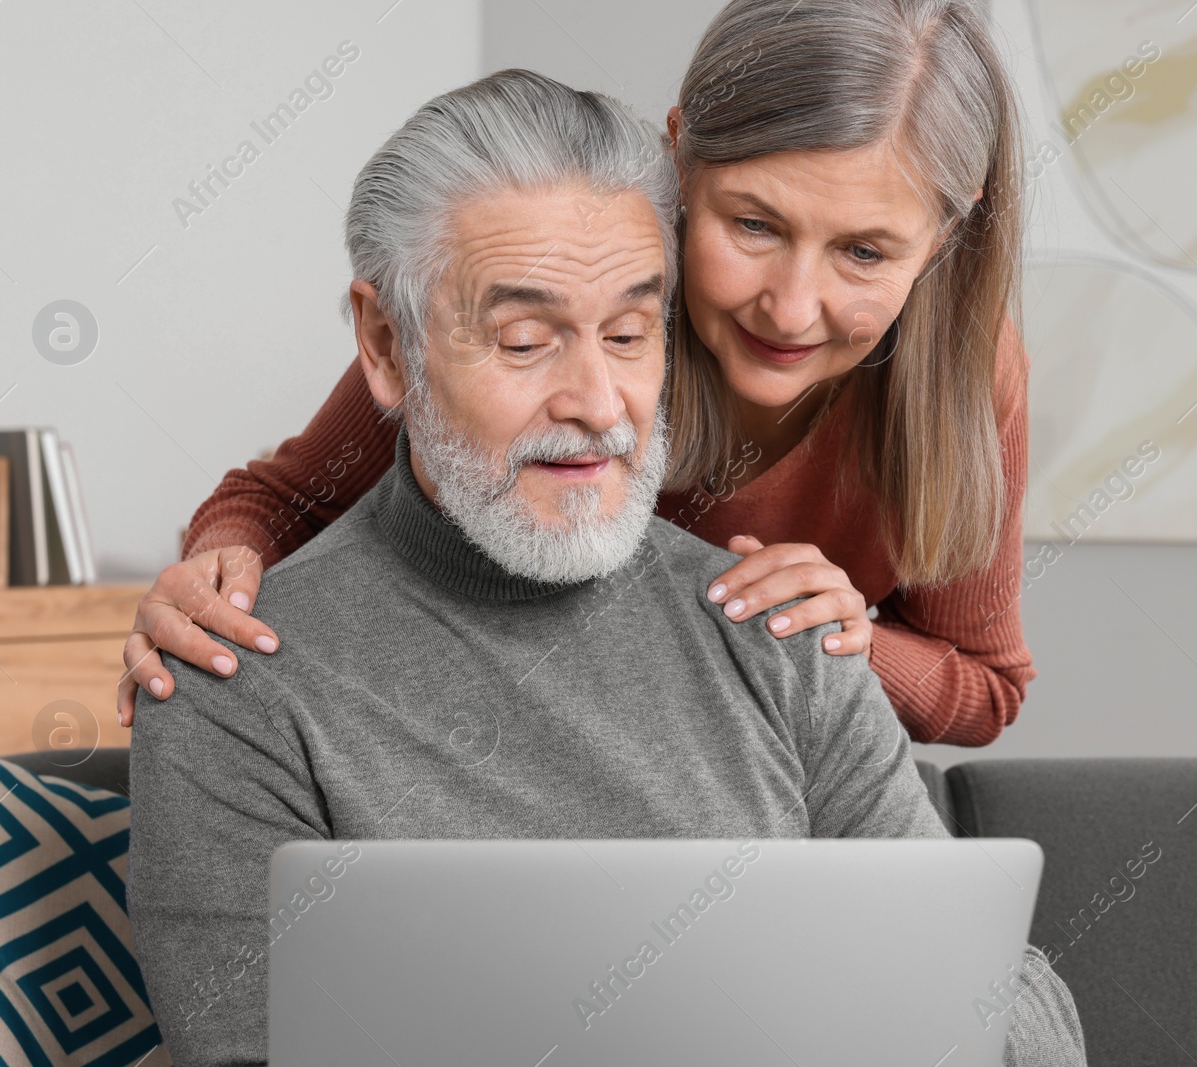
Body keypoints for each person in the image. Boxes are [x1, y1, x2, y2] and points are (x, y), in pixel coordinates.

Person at [127, 69, 1085, 1066]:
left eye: (632, 333)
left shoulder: (788, 636)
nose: (598, 401)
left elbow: (998, 987)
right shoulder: (232, 683)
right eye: (526, 340)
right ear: (386, 344)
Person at [118, 0, 1038, 747]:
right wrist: (212, 575)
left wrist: (840, 637)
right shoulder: (580, 296)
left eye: (866, 252)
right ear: (680, 157)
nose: (792, 307)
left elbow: (986, 687)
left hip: (753, 780)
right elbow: (285, 502)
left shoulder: (962, 368)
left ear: (951, 231)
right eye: (754, 226)